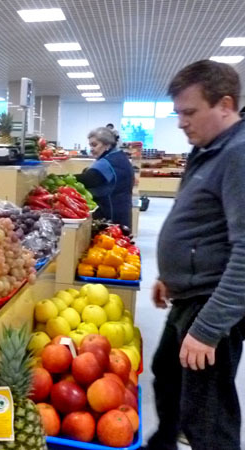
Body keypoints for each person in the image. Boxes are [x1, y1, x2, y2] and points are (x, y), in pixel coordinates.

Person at [143, 60, 245, 450]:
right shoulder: (207, 150)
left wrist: (208, 330)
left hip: (209, 304)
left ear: (225, 105)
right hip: (188, 296)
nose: (181, 123)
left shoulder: (238, 155)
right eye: (178, 113)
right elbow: (201, 222)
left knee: (207, 415)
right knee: (167, 375)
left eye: (189, 112)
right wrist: (169, 275)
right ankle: (163, 443)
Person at [74, 127, 133, 228]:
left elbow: (89, 179)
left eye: (94, 145)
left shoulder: (110, 161)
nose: (91, 149)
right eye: (90, 145)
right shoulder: (118, 156)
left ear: (107, 144)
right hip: (122, 210)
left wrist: (59, 178)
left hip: (111, 214)